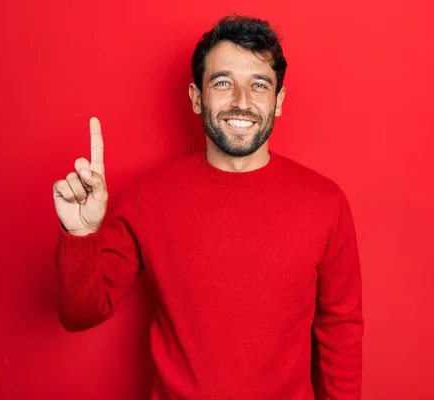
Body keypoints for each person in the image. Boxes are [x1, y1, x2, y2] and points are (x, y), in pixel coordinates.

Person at [52, 14, 364, 400]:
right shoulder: (146, 197)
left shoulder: (325, 202)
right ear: (197, 97)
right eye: (222, 83)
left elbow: (341, 328)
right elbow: (80, 314)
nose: (241, 102)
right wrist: (81, 234)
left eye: (259, 85)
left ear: (279, 101)